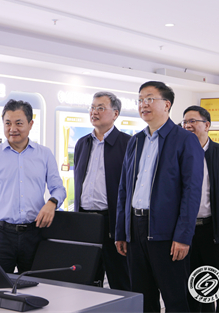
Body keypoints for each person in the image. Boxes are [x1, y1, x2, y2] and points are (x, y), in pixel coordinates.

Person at [115, 81, 204, 313]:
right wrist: (121, 231)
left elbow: (192, 191)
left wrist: (183, 236)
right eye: (140, 100)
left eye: (149, 99)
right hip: (135, 229)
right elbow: (124, 189)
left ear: (167, 104)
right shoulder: (136, 141)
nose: (143, 104)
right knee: (142, 297)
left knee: (175, 298)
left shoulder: (184, 140)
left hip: (167, 231)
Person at [0, 99, 66, 273]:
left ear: (30, 124)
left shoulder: (44, 154)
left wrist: (52, 202)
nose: (12, 129)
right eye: (7, 123)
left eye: (19, 123)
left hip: (34, 233)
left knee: (35, 283)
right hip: (1, 235)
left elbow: (59, 189)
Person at [73, 91, 131, 290]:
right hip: (85, 222)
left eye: (100, 108)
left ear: (115, 114)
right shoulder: (82, 143)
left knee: (120, 278)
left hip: (111, 221)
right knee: (86, 278)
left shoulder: (127, 143)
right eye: (92, 107)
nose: (94, 112)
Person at [182, 105, 219, 312]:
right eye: (185, 122)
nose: (187, 126)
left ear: (207, 125)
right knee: (195, 288)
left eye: (192, 121)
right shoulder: (179, 155)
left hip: (216, 231)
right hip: (187, 233)